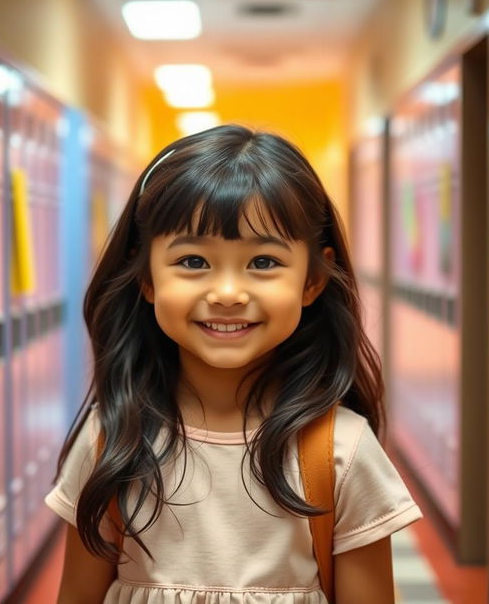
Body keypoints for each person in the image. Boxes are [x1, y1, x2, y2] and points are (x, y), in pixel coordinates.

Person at [45, 124, 422, 604]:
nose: (226, 294)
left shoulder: (339, 453)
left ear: (311, 281)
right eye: (194, 262)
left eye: (263, 263)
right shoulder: (111, 439)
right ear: (147, 279)